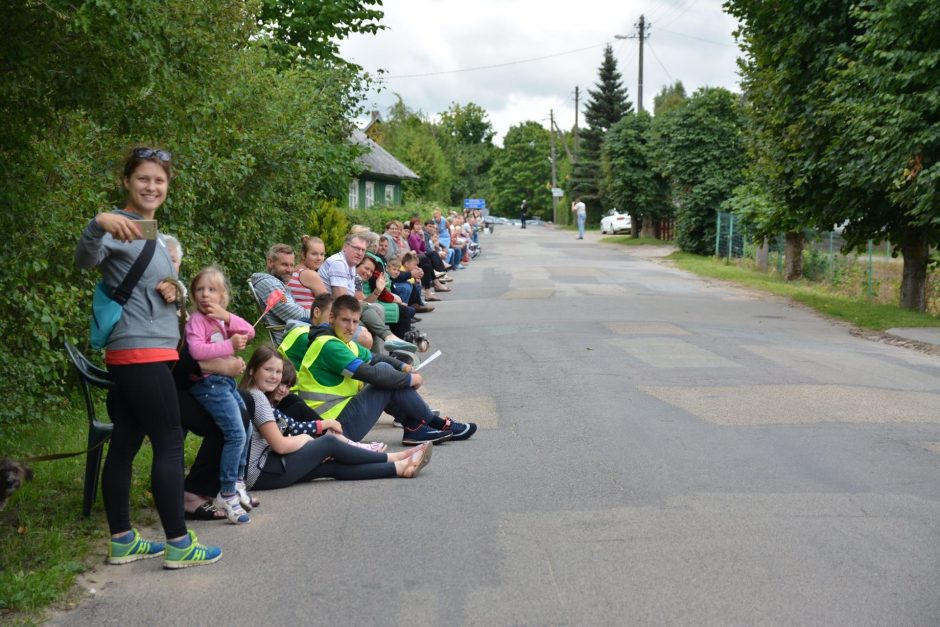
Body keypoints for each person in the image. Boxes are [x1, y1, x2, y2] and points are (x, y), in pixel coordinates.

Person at [75, 146, 220, 568]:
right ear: (127, 181)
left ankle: (122, 539)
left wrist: (174, 292)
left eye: (159, 180)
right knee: (170, 443)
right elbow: (86, 259)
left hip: (145, 352)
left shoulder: (150, 232)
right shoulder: (116, 225)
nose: (152, 186)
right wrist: (97, 222)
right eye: (143, 178)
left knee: (124, 445)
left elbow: (142, 288)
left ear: (167, 186)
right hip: (139, 354)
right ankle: (179, 543)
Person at [278, 295, 476, 445]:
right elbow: (370, 373)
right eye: (345, 320)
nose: (351, 327)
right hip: (332, 428)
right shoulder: (328, 345)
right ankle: (437, 423)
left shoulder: (344, 343)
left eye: (355, 322)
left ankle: (415, 427)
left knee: (385, 371)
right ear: (331, 318)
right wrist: (409, 380)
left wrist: (403, 366)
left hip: (339, 417)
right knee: (383, 377)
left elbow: (374, 357)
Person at [239, 345, 432, 491]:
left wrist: (317, 428)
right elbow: (280, 445)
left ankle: (399, 468)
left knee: (329, 467)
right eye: (268, 370)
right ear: (251, 370)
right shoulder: (257, 398)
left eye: (278, 372)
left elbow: (288, 426)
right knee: (328, 443)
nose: (274, 377)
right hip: (261, 471)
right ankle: (396, 457)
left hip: (259, 470)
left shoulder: (254, 395)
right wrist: (307, 440)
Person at [185, 266, 256, 524]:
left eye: (212, 290)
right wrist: (229, 346)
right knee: (235, 433)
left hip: (225, 383)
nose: (205, 295)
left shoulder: (219, 319)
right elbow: (196, 351)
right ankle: (226, 492)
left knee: (246, 428)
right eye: (200, 290)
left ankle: (237, 482)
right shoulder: (195, 321)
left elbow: (250, 331)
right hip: (208, 385)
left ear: (222, 296)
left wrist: (227, 317)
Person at [286, 235, 327, 311]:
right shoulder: (309, 274)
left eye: (322, 254)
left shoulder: (294, 271)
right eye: (314, 254)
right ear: (303, 254)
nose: (319, 258)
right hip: (309, 321)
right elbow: (327, 303)